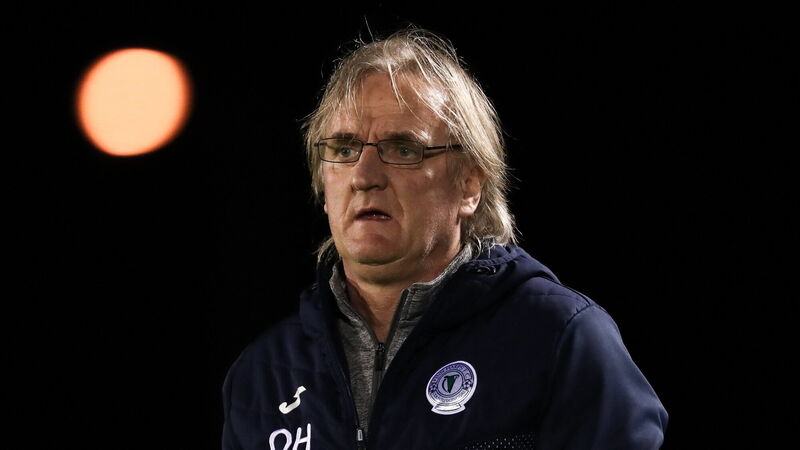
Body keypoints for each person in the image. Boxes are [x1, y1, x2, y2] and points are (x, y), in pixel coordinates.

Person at [222, 27, 668, 450]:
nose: (363, 176)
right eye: (343, 150)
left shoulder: (559, 339)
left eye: (403, 150)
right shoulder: (261, 377)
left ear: (469, 185)